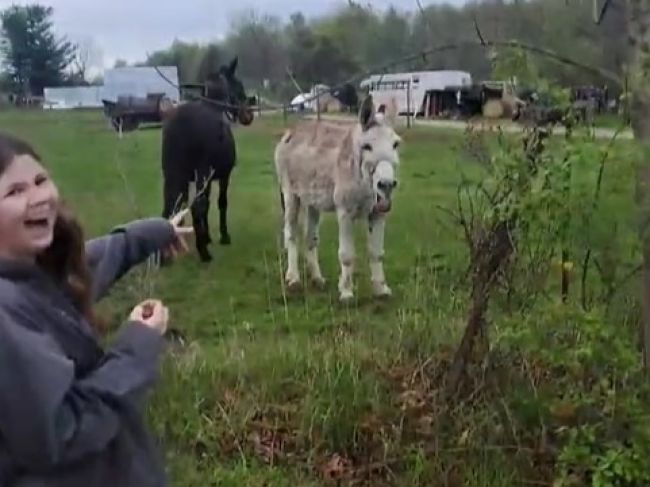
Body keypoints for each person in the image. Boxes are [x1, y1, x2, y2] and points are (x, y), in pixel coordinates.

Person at [0, 131, 193, 486]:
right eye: (15, 191)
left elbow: (85, 267)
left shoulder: (30, 270)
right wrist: (136, 346)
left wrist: (152, 233)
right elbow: (61, 432)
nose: (38, 197)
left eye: (40, 180)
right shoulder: (7, 311)